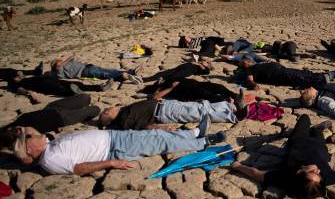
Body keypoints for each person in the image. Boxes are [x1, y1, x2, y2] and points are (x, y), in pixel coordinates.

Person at [230, 114, 335, 199]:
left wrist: (238, 166)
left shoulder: (283, 176)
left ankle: (314, 128)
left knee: (304, 118)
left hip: (297, 140)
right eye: (318, 174)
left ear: (299, 172)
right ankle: (318, 129)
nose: (318, 170)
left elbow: (256, 174)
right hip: (318, 145)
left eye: (313, 172)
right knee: (318, 133)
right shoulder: (326, 177)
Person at [12, 126, 227, 175]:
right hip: (114, 148)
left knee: (157, 136)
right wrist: (111, 163)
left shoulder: (47, 147)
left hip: (115, 138)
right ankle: (202, 142)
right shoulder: (49, 160)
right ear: (30, 149)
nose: (32, 134)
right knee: (160, 142)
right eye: (28, 138)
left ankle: (194, 133)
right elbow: (77, 168)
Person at [0, 94, 100, 148]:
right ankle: (83, 113)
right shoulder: (27, 138)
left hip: (52, 108)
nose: (17, 129)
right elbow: (49, 138)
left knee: (86, 97)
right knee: (96, 109)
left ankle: (82, 110)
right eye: (15, 132)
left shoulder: (18, 122)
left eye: (12, 129)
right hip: (62, 118)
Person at [98, 95, 244, 131]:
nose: (107, 109)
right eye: (106, 112)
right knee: (198, 112)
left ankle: (231, 106)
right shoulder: (124, 120)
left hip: (165, 104)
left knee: (201, 105)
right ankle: (234, 116)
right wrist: (162, 127)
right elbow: (143, 127)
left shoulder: (123, 110)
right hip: (163, 112)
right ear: (108, 119)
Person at [237, 59, 335, 90]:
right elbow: (249, 80)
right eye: (245, 61)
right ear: (244, 65)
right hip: (278, 75)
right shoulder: (249, 70)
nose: (248, 61)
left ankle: (327, 77)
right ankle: (330, 76)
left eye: (247, 60)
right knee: (300, 77)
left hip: (282, 70)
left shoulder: (257, 64)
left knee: (303, 73)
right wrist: (254, 84)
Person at [7, 74, 113, 104]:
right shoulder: (16, 84)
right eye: (17, 76)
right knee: (60, 90)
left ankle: (100, 87)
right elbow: (20, 90)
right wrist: (30, 93)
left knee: (75, 83)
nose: (19, 76)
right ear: (14, 79)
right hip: (44, 86)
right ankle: (75, 94)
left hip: (52, 80)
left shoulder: (25, 78)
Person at [51, 56, 143, 84]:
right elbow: (59, 66)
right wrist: (64, 61)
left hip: (89, 67)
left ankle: (130, 73)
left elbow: (73, 57)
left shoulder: (67, 63)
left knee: (110, 71)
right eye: (58, 60)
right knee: (104, 75)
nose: (61, 60)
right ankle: (127, 75)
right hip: (85, 72)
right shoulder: (60, 71)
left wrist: (68, 60)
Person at [142, 61, 211, 83]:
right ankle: (144, 79)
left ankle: (147, 80)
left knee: (171, 76)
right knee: (163, 73)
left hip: (187, 70)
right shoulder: (198, 64)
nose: (205, 61)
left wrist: (202, 65)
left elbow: (207, 72)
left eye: (207, 62)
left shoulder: (206, 69)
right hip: (183, 67)